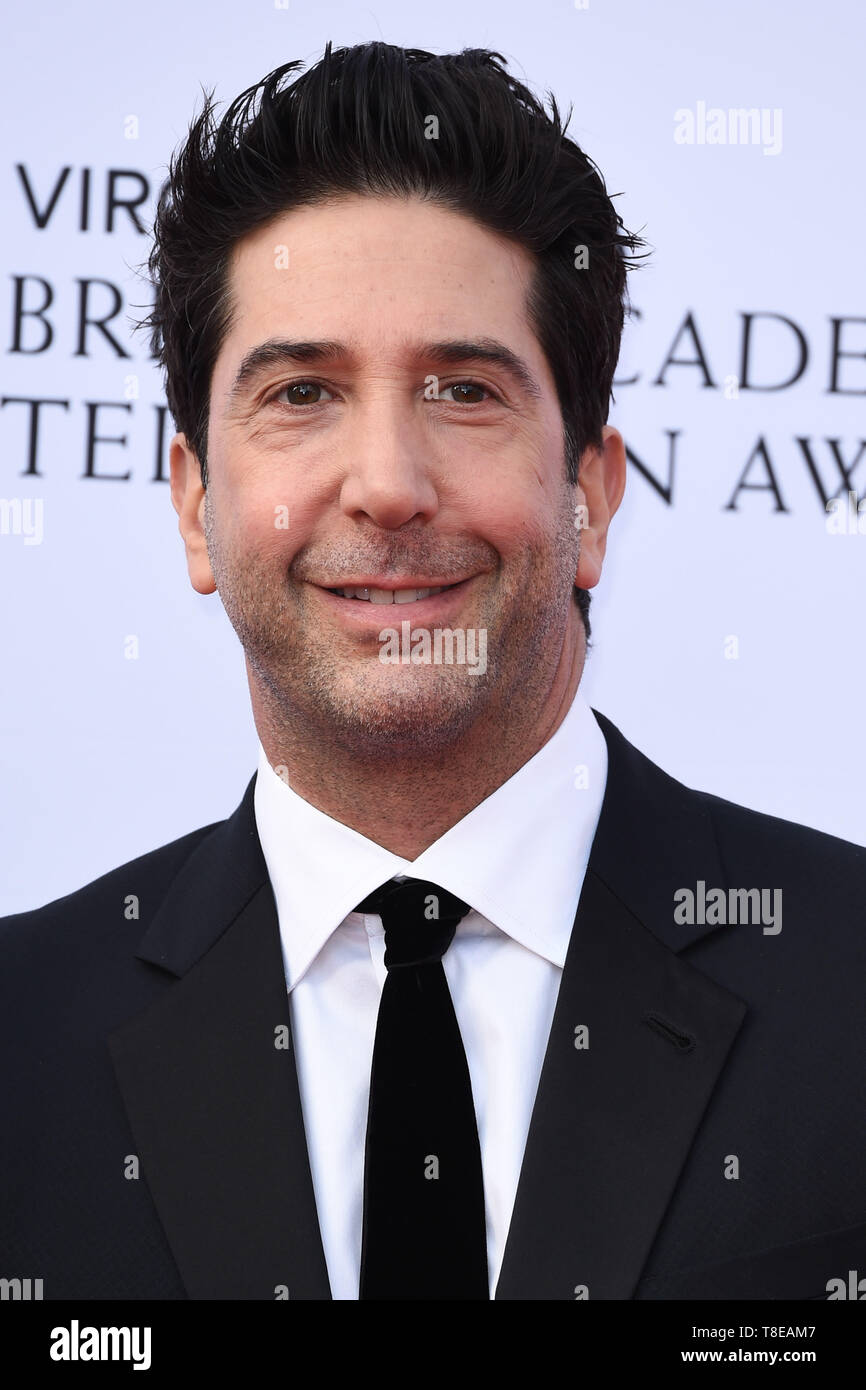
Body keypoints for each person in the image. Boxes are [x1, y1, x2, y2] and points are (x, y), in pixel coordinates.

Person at [2, 41, 865, 1302]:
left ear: (590, 492)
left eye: (463, 390)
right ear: (195, 506)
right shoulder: (19, 1039)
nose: (389, 485)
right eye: (301, 392)